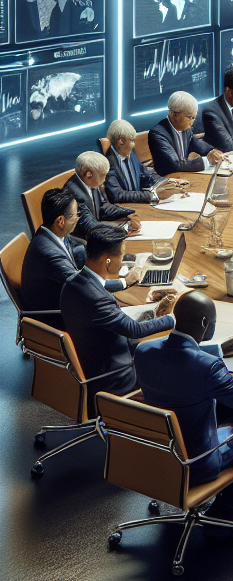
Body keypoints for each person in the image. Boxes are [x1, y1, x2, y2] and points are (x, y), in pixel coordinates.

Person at [135, 291, 233, 525]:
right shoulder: (207, 368)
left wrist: (220, 348)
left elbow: (176, 353)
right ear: (205, 323)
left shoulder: (144, 351)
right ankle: (224, 508)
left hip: (156, 455)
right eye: (214, 323)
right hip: (196, 465)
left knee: (222, 406)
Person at [59, 226, 176, 411]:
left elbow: (99, 288)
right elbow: (134, 330)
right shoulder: (98, 300)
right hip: (116, 378)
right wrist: (172, 319)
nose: (122, 261)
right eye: (121, 256)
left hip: (95, 358)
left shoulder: (72, 283)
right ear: (107, 262)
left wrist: (154, 314)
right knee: (173, 361)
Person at [21, 189, 139, 313]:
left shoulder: (50, 232)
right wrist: (124, 282)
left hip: (66, 300)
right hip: (53, 315)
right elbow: (84, 285)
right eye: (75, 214)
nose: (78, 218)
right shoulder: (49, 253)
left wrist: (119, 258)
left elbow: (85, 246)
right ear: (61, 221)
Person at [64, 151, 140, 239]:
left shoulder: (91, 183)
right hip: (84, 242)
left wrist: (128, 213)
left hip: (96, 235)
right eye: (103, 175)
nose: (105, 180)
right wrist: (123, 229)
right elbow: (90, 225)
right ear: (88, 174)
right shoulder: (72, 192)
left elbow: (104, 208)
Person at [149, 92, 226, 177]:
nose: (192, 122)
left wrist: (212, 151)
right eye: (190, 117)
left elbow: (195, 142)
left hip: (182, 177)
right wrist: (206, 161)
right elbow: (174, 164)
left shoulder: (185, 130)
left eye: (194, 117)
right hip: (166, 182)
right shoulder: (158, 134)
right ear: (175, 114)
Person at [104, 119, 179, 205]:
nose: (134, 145)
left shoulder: (129, 153)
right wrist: (152, 195)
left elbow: (143, 172)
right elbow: (118, 195)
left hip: (139, 203)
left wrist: (165, 182)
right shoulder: (108, 164)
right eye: (132, 141)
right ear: (120, 141)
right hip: (127, 208)